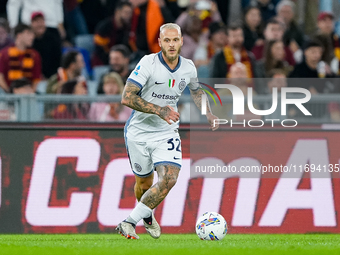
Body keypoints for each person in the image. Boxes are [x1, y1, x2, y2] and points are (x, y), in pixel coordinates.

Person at [116, 23, 218, 239]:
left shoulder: (188, 67)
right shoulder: (148, 63)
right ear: (160, 42)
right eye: (167, 40)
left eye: (175, 40)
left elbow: (197, 92)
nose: (172, 44)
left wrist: (208, 113)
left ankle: (128, 222)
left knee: (170, 178)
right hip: (139, 132)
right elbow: (127, 97)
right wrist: (159, 110)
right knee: (143, 183)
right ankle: (147, 215)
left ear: (181, 41)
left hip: (167, 132)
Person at [0, 24, 41, 92]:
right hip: (7, 93)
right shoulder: (4, 54)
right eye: (28, 33)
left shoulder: (34, 55)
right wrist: (9, 93)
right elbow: (0, 77)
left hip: (28, 93)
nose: (32, 37)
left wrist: (30, 93)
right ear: (19, 35)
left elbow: (36, 80)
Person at [92, 1, 133, 66]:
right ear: (117, 12)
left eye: (130, 13)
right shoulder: (103, 28)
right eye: (126, 12)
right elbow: (100, 51)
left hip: (121, 63)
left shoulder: (128, 28)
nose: (129, 16)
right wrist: (114, 61)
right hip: (103, 63)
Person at [31, 11, 62, 79]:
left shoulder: (53, 39)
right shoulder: (29, 42)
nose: (40, 24)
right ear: (31, 24)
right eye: (36, 22)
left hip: (52, 77)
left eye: (41, 21)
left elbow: (58, 61)